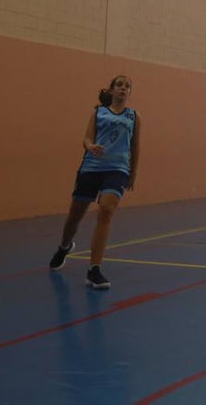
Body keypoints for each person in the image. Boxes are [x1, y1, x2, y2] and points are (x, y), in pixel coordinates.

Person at [48, 76, 141, 289]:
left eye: (127, 86)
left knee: (106, 210)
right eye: (120, 85)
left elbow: (136, 146)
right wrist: (89, 147)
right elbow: (87, 138)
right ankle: (64, 246)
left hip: (117, 169)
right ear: (111, 90)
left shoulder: (134, 116)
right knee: (75, 215)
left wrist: (132, 173)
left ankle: (94, 269)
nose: (123, 89)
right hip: (91, 168)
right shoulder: (98, 112)